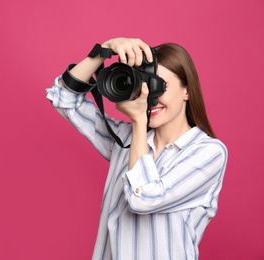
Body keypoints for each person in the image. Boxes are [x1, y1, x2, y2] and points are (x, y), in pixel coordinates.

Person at [46, 37, 228, 260]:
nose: (151, 98)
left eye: (160, 86)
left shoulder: (209, 153)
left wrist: (140, 121)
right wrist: (103, 49)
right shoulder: (125, 139)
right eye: (145, 86)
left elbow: (142, 199)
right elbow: (64, 98)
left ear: (187, 91)